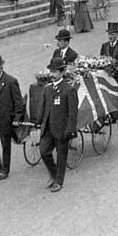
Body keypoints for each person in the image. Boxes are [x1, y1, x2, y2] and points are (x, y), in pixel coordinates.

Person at [37, 57, 78, 193]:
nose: (52, 75)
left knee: (61, 156)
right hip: (48, 128)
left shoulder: (68, 90)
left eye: (55, 72)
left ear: (61, 72)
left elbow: (73, 112)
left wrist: (70, 129)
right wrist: (38, 122)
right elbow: (43, 108)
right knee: (43, 152)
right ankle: (54, 175)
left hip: (62, 129)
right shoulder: (47, 89)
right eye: (51, 72)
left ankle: (59, 181)